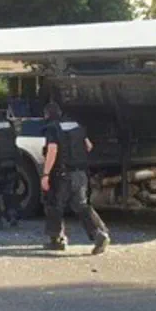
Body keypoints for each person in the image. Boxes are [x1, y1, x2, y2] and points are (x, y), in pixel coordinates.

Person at [40, 102, 111, 255]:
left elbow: (52, 150)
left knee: (54, 205)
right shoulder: (77, 126)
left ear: (47, 115)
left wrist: (45, 174)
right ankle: (99, 234)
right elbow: (89, 146)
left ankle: (57, 240)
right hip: (80, 173)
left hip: (62, 174)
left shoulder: (53, 128)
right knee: (81, 205)